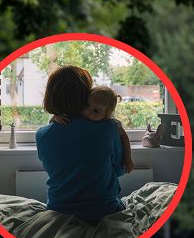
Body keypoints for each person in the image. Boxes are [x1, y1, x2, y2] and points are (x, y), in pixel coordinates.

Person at [35, 66, 130, 225]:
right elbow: (120, 169)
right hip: (104, 212)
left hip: (59, 211)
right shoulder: (109, 128)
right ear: (85, 95)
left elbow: (57, 171)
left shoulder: (42, 135)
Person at [53, 85, 134, 175]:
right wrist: (56, 117)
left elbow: (124, 138)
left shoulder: (112, 124)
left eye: (96, 111)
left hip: (106, 164)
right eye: (86, 104)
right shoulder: (78, 117)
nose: (88, 111)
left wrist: (127, 158)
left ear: (106, 115)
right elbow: (53, 125)